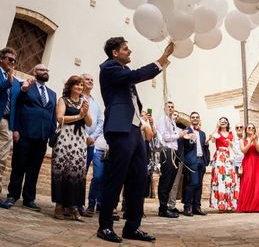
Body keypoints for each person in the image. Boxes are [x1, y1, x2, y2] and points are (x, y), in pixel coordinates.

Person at [96, 37, 173, 243]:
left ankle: (132, 226)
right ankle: (105, 226)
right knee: (116, 177)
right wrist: (162, 59)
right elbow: (137, 75)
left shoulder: (121, 71)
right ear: (115, 52)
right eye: (125, 49)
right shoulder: (109, 67)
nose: (129, 52)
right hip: (120, 128)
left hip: (134, 130)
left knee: (139, 177)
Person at [6, 64, 56, 211]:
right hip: (24, 133)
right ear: (34, 72)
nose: (45, 72)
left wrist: (52, 134)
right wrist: (15, 129)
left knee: (34, 169)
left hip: (42, 136)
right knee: (18, 166)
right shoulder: (26, 86)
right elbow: (18, 106)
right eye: (42, 70)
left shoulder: (52, 93)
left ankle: (29, 198)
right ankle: (12, 195)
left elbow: (52, 116)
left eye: (47, 70)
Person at [52, 75, 93, 220]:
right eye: (77, 85)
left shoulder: (84, 102)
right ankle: (59, 205)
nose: (80, 87)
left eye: (81, 85)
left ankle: (73, 206)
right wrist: (78, 116)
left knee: (77, 172)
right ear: (70, 86)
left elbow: (89, 122)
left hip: (79, 140)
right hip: (65, 137)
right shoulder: (63, 100)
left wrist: (85, 112)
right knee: (62, 169)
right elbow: (59, 118)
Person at [78, 73, 103, 217]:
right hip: (76, 140)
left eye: (92, 80)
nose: (90, 81)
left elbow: (100, 122)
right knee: (74, 174)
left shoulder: (95, 103)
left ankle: (80, 205)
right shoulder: (77, 98)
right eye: (87, 79)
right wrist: (85, 136)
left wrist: (93, 137)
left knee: (83, 174)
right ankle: (71, 203)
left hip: (90, 144)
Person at [0, 47, 21, 209]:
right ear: (1, 59)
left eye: (14, 60)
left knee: (2, 159)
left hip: (7, 122)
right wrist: (9, 81)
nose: (12, 63)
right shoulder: (7, 78)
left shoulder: (11, 78)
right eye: (10, 60)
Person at [155, 101, 180, 218]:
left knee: (171, 180)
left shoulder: (172, 121)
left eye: (172, 107)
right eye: (168, 107)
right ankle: (162, 208)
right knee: (166, 180)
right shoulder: (163, 119)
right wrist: (178, 135)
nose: (170, 108)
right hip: (167, 151)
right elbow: (164, 137)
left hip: (174, 152)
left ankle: (165, 207)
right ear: (164, 108)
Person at [181, 111, 209, 216]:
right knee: (193, 183)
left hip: (201, 161)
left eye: (197, 117)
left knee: (199, 185)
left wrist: (205, 160)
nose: (195, 118)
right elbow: (184, 146)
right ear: (190, 119)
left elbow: (204, 147)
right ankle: (187, 207)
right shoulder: (186, 131)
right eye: (193, 117)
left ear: (199, 119)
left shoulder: (202, 133)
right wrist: (188, 138)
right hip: (192, 160)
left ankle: (197, 207)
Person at [209, 116, 238, 212]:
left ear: (228, 123)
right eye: (221, 121)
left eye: (225, 121)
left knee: (229, 178)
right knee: (220, 179)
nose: (223, 122)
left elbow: (234, 147)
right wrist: (216, 127)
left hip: (228, 157)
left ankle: (229, 203)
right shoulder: (217, 133)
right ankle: (221, 204)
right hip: (219, 157)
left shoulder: (230, 133)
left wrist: (230, 142)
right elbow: (213, 140)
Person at [236, 123, 259, 213]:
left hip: (257, 162)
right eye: (249, 128)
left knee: (257, 183)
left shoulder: (258, 139)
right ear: (246, 130)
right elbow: (244, 151)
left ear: (254, 130)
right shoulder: (242, 140)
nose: (251, 129)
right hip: (247, 162)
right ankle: (246, 206)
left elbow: (258, 149)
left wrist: (255, 140)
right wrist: (249, 141)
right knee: (247, 182)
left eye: (253, 128)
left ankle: (256, 206)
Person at [166, 110, 183, 216]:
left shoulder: (181, 130)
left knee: (175, 183)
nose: (176, 116)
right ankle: (165, 205)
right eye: (174, 114)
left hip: (178, 158)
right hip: (168, 156)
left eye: (177, 115)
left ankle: (172, 205)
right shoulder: (167, 128)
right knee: (168, 182)